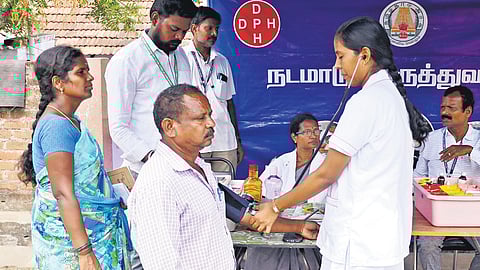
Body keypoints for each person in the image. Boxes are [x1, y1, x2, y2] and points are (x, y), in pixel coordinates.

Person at [250, 16, 431, 270]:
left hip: (358, 244)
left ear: (364, 56)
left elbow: (326, 174)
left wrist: (276, 206)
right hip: (378, 240)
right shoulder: (389, 97)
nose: (336, 65)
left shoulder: (366, 102)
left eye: (341, 56)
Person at [127, 84, 320, 269]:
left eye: (210, 115)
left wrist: (299, 226)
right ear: (170, 127)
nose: (211, 123)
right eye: (200, 118)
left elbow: (246, 215)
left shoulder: (200, 169)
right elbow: (162, 264)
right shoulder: (158, 183)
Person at [17, 46, 131, 269]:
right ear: (58, 83)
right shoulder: (56, 127)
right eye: (81, 72)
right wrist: (85, 253)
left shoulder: (71, 120)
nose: (90, 77)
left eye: (88, 70)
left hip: (91, 231)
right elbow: (62, 193)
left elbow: (79, 178)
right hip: (71, 245)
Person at [105, 0, 198, 177]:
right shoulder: (126, 60)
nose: (179, 37)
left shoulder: (182, 56)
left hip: (182, 166)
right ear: (155, 18)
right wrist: (154, 158)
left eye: (184, 32)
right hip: (144, 170)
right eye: (174, 29)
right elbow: (118, 128)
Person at [245, 113, 326, 270]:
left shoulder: (325, 163)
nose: (313, 135)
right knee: (263, 255)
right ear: (295, 137)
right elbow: (258, 192)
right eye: (307, 131)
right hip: (280, 222)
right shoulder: (281, 162)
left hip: (312, 223)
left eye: (316, 131)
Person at [414, 85, 480, 270]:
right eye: (443, 107)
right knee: (427, 245)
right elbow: (418, 175)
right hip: (436, 211)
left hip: (472, 212)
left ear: (468, 112)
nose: (444, 113)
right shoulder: (432, 139)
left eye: (451, 108)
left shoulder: (478, 139)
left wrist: (470, 150)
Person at [185, 7, 244, 172]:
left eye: (217, 29)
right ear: (194, 28)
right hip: (193, 143)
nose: (214, 33)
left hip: (224, 141)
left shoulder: (222, 62)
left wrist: (237, 140)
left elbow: (229, 103)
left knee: (224, 193)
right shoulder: (180, 59)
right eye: (208, 28)